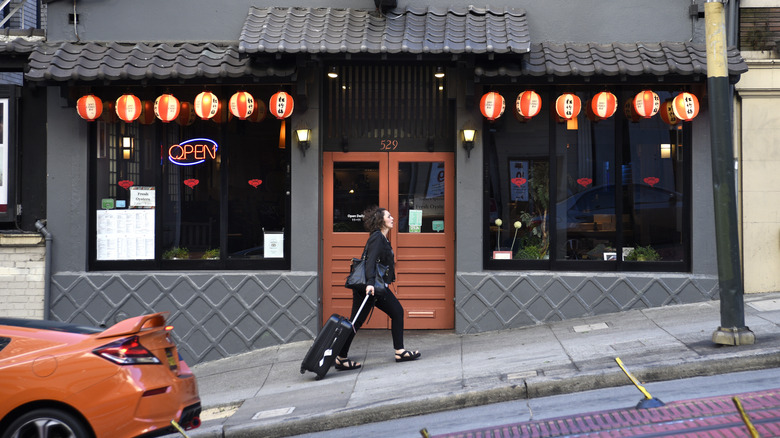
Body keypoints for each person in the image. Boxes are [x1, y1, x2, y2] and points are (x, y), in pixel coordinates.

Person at [335, 206, 421, 371]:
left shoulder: (382, 238)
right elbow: (370, 261)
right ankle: (341, 357)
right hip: (371, 287)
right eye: (389, 216)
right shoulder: (377, 238)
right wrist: (370, 284)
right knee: (359, 321)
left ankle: (399, 351)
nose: (393, 218)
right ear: (382, 221)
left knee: (390, 313)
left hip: (374, 286)